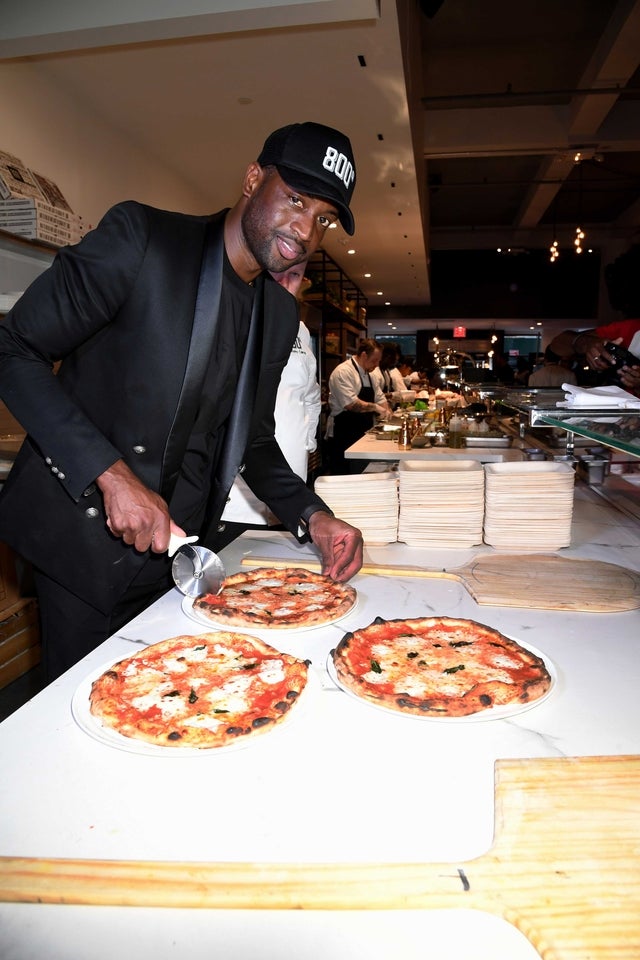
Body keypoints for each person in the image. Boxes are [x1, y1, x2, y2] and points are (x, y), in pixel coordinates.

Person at [0, 121, 363, 681]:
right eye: (295, 199)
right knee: (79, 715)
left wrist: (310, 515)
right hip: (83, 545)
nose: (306, 229)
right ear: (251, 178)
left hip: (184, 559)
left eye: (323, 218)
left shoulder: (277, 312)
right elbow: (13, 348)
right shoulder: (142, 239)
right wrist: (112, 475)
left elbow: (254, 439)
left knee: (170, 705)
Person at [219, 258, 321, 542]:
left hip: (290, 484)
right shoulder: (236, 320)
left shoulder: (301, 331)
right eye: (279, 273)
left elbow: (311, 394)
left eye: (296, 275)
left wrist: (307, 441)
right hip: (239, 490)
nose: (285, 282)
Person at [326, 338, 390, 474]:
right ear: (364, 355)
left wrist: (387, 411)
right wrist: (375, 408)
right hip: (344, 431)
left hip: (363, 431)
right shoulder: (343, 372)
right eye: (375, 360)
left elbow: (380, 397)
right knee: (344, 474)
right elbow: (351, 404)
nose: (377, 364)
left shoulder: (370, 375)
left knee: (361, 471)